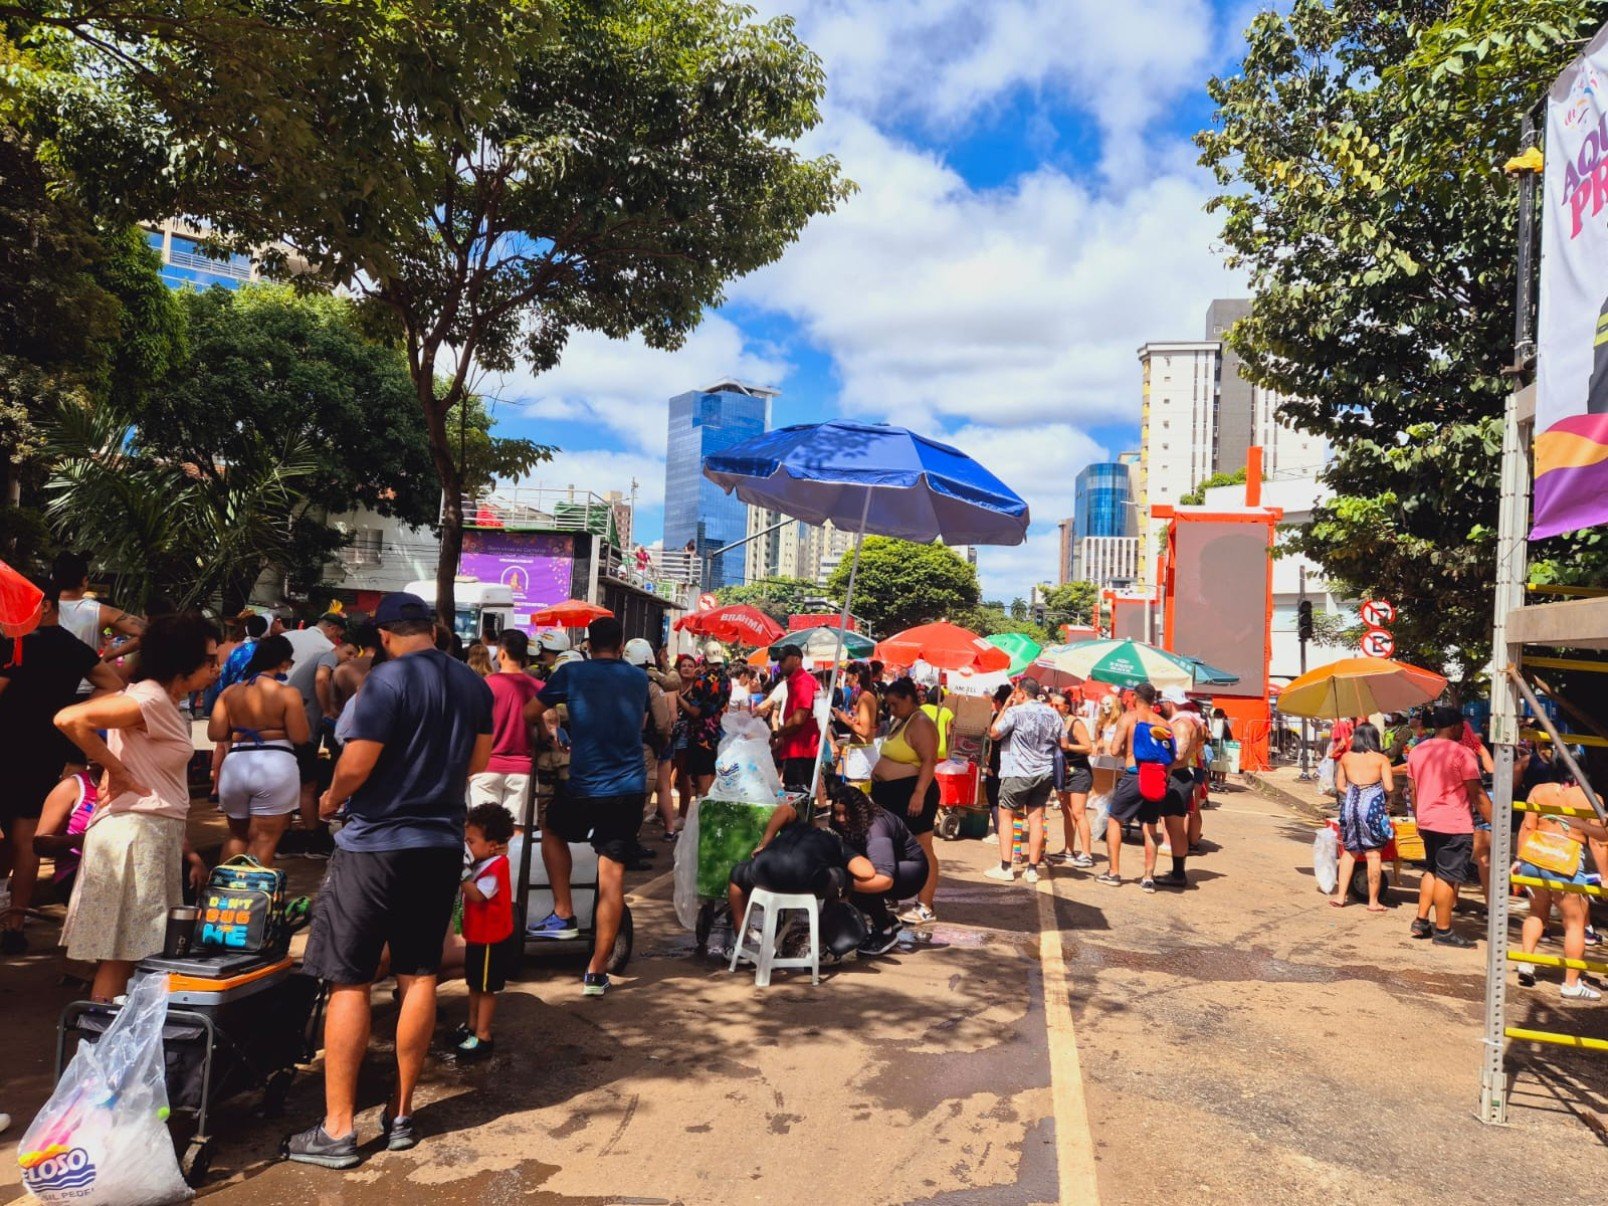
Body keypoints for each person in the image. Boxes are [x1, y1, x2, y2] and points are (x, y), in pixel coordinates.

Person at [287, 592, 493, 1168]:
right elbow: (477, 764)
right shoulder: (473, 685)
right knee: (421, 973)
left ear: (382, 635)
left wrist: (330, 798)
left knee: (350, 981)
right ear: (431, 627)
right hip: (439, 845)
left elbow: (356, 762)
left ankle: (336, 1130)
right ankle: (401, 1114)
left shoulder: (386, 681)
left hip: (374, 846)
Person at [54, 613, 220, 1000]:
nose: (217, 668)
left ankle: (108, 1046)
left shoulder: (158, 698)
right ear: (184, 662)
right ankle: (103, 1049)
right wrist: (118, 771)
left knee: (130, 954)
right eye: (210, 659)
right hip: (136, 835)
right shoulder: (150, 698)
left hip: (149, 832)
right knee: (122, 956)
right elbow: (69, 718)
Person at [525, 617, 649, 998]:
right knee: (612, 880)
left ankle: (563, 911)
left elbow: (530, 713)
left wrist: (559, 730)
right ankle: (596, 971)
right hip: (629, 788)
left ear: (586, 643)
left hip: (584, 785)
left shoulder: (573, 674)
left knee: (552, 828)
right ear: (622, 643)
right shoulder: (638, 679)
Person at [0, 577, 123, 953]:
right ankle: (15, 924)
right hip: (45, 750)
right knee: (25, 838)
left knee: (13, 837)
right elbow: (112, 683)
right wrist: (70, 710)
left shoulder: (13, 645)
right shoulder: (74, 648)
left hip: (6, 745)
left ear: (46, 605)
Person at [208, 635, 311, 865]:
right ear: (283, 662)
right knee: (264, 839)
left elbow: (215, 733)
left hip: (236, 764)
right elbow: (300, 736)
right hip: (275, 763)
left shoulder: (229, 693)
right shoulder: (287, 693)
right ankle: (251, 898)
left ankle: (222, 896)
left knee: (237, 837)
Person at [1404, 705, 1493, 948]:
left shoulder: (1417, 751)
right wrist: (1497, 821)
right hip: (1453, 822)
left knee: (1432, 869)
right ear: (1455, 727)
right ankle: (1443, 930)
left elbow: (1412, 790)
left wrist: (1419, 817)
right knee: (1447, 875)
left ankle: (1421, 921)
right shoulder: (1463, 754)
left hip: (1428, 819)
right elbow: (1477, 794)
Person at [1513, 784, 1608, 1001]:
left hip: (1534, 855)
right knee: (1575, 922)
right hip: (1565, 859)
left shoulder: (1539, 790)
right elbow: (1598, 841)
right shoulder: (1591, 797)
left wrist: (1519, 859)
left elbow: (1527, 827)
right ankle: (1571, 984)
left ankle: (1526, 963)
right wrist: (1605, 876)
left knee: (1536, 913)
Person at [869, 678, 940, 924]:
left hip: (911, 793)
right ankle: (892, 894)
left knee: (923, 847)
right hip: (891, 794)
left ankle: (925, 905)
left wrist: (919, 793)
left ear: (909, 698)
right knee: (892, 846)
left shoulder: (921, 722)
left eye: (895, 704)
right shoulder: (902, 720)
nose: (891, 709)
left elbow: (929, 760)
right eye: (888, 705)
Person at [828, 781, 929, 953]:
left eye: (846, 814)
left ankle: (885, 932)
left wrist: (843, 885)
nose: (841, 819)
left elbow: (884, 880)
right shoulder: (857, 821)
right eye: (837, 814)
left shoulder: (876, 829)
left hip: (911, 871)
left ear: (858, 811)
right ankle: (888, 921)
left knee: (860, 880)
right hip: (892, 866)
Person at [286, 620, 355, 856]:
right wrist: (327, 710)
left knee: (299, 785)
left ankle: (292, 839)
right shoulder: (327, 656)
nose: (349, 659)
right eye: (349, 653)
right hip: (303, 730)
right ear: (339, 646)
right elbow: (321, 679)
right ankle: (314, 839)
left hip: (301, 729)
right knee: (308, 786)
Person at [455, 802, 517, 1060]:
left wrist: (461, 873)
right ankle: (471, 1026)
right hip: (478, 934)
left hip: (491, 938)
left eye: (471, 841)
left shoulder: (496, 865)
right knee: (474, 984)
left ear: (492, 844)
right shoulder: (483, 862)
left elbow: (479, 896)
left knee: (486, 988)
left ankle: (483, 1034)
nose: (467, 846)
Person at [986, 677, 1063, 884]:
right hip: (1044, 771)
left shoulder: (1015, 712)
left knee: (1006, 816)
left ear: (1020, 693)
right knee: (1036, 818)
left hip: (1018, 771)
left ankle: (1006, 866)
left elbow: (994, 733)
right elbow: (1060, 740)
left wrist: (1005, 707)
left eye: (1016, 693)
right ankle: (1032, 869)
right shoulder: (1052, 713)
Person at [1102, 683, 1175, 888]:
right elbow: (1171, 758)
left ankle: (1114, 873)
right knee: (1149, 826)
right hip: (1156, 777)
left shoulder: (1129, 718)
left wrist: (1126, 746)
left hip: (1134, 775)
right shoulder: (1164, 723)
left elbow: (1114, 750)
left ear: (1134, 697)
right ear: (1153, 699)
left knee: (1115, 820)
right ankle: (1148, 878)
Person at [467, 630, 543, 821]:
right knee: (516, 832)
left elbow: (470, 727)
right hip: (523, 770)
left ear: (501, 653)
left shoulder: (484, 686)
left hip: (485, 768)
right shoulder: (538, 688)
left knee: (484, 831)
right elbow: (546, 730)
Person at [48, 552, 147, 695]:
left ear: (53, 578)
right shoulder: (103, 612)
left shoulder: (40, 609)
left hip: (46, 687)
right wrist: (111, 655)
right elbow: (150, 632)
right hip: (88, 689)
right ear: (85, 580)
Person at [1332, 723, 1395, 911]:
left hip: (1351, 806)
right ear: (1375, 738)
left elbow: (1340, 786)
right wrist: (1374, 790)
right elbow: (1390, 787)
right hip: (1373, 808)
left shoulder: (1346, 757)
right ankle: (1373, 902)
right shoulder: (1381, 759)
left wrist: (1355, 790)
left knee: (1349, 852)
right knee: (1373, 855)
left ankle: (1341, 896)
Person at [624, 639, 677, 838]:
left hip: (622, 746)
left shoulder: (620, 680)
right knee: (643, 796)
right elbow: (663, 723)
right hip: (647, 747)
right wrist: (664, 742)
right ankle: (632, 844)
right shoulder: (653, 685)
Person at [1150, 688, 1201, 888]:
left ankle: (1179, 874)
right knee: (1174, 828)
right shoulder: (1187, 721)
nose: (1159, 705)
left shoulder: (1181, 725)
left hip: (1177, 778)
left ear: (1169, 702)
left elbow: (1178, 755)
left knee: (1175, 828)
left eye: (1161, 702)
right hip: (1178, 777)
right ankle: (1178, 872)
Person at [679, 643, 731, 799]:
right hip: (719, 735)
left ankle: (701, 819)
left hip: (701, 736)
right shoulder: (727, 679)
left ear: (705, 660)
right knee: (713, 780)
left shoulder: (702, 680)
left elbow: (695, 711)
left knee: (702, 784)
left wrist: (677, 697)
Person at [771, 644, 821, 794]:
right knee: (797, 799)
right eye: (779, 661)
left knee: (798, 800)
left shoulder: (803, 682)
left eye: (783, 660)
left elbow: (799, 719)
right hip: (796, 750)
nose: (780, 664)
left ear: (796, 659)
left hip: (802, 752)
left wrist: (778, 734)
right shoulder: (794, 682)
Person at [1055, 696, 1096, 869]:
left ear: (1066, 707)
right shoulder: (1056, 723)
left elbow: (1088, 748)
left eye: (1057, 704)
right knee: (1067, 812)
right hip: (1063, 771)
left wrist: (1067, 747)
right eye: (1051, 704)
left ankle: (1086, 854)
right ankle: (1068, 849)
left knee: (1079, 813)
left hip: (1079, 771)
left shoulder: (1075, 723)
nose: (1053, 707)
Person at [218, 613, 270, 692]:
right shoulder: (268, 652)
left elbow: (224, 678)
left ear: (246, 629)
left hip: (235, 694)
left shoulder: (236, 652)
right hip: (257, 695)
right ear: (265, 630)